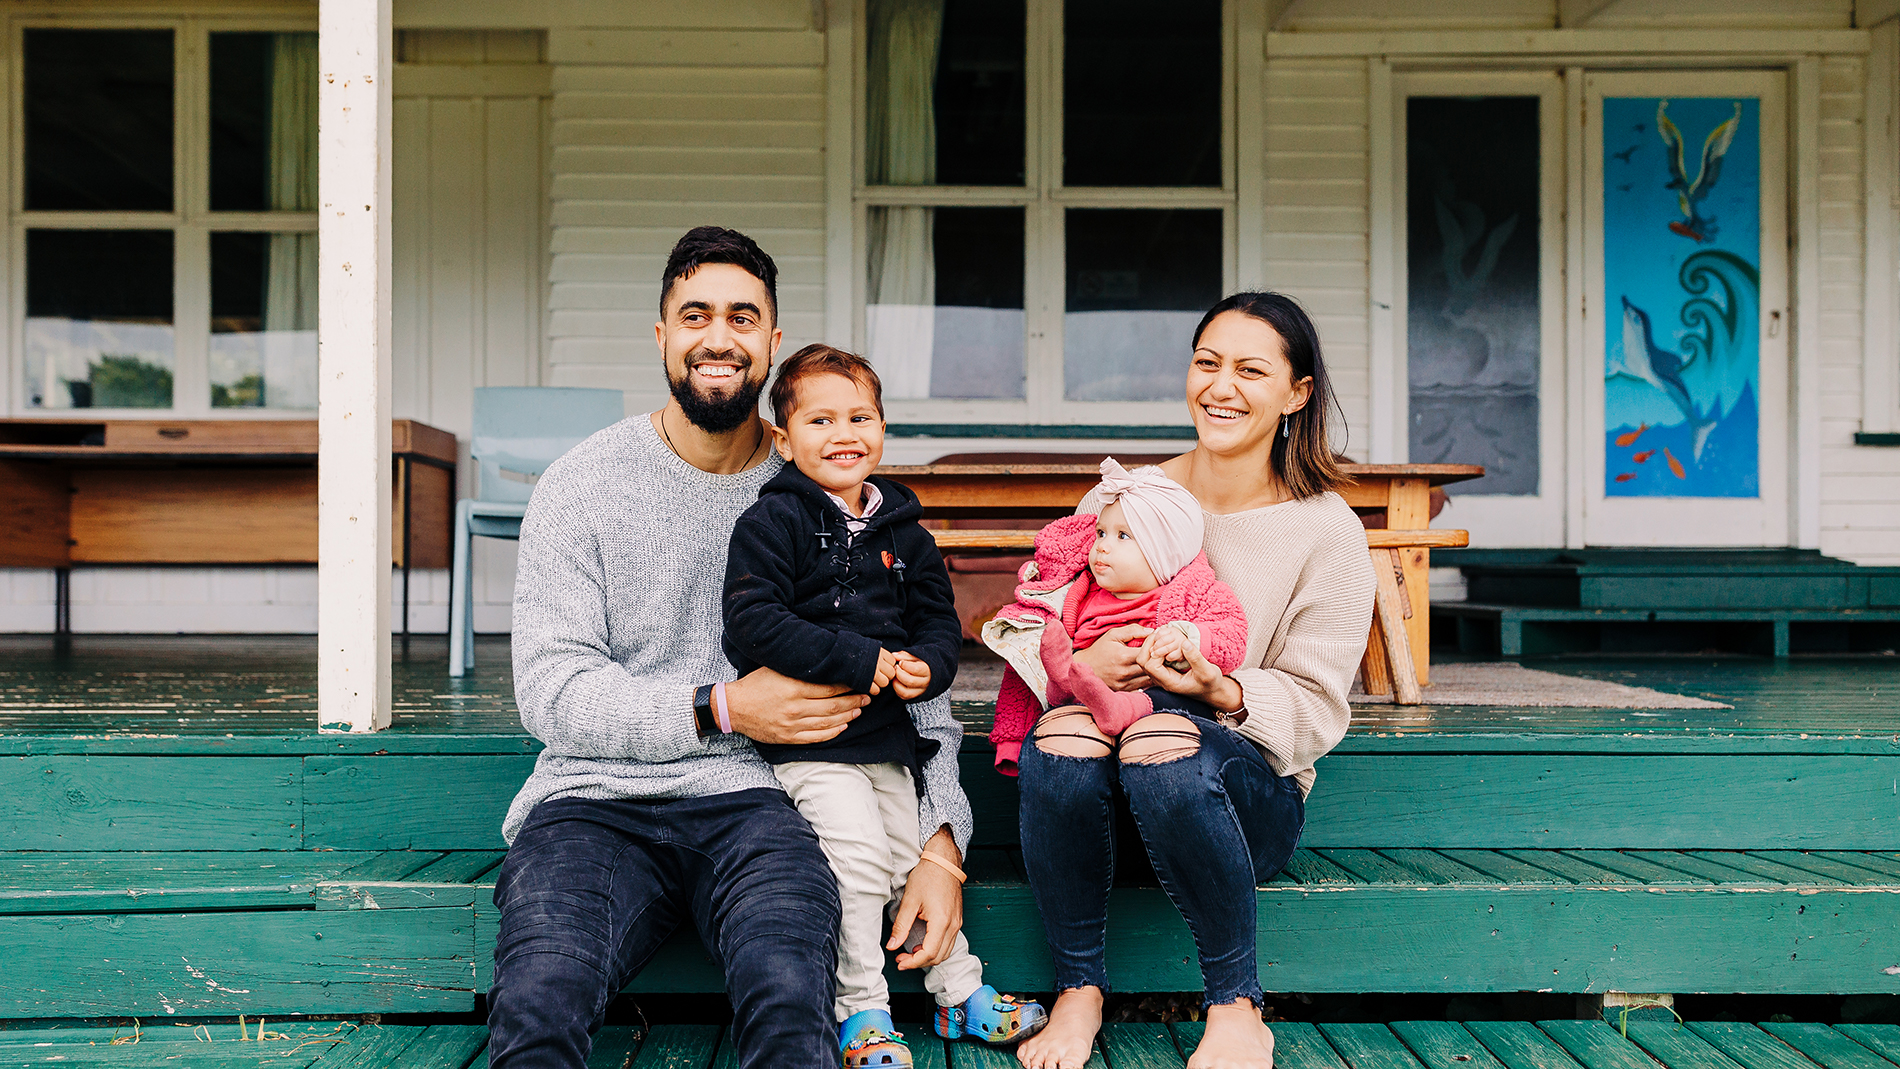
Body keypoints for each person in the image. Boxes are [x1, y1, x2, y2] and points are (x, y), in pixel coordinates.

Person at [489, 227, 974, 1069]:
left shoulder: (836, 490)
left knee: (792, 998)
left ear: (772, 343)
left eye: (743, 318)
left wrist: (943, 840)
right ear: (663, 335)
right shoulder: (582, 483)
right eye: (695, 316)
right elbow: (552, 690)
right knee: (539, 999)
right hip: (592, 802)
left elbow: (922, 687)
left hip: (763, 802)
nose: (719, 337)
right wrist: (718, 706)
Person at [1012, 292, 1378, 1069]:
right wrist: (1082, 667)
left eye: (1250, 370)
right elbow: (1047, 630)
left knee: (1168, 739)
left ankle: (1237, 1004)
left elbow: (1316, 708)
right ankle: (1079, 989)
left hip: (1237, 804)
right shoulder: (1124, 499)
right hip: (1106, 788)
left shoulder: (1327, 527)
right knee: (1060, 731)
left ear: (1296, 394)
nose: (1221, 386)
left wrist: (1220, 687)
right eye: (1207, 363)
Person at [722, 344, 1049, 1066]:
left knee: (910, 858)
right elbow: (753, 621)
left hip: (887, 742)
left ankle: (958, 993)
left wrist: (928, 668)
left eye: (861, 416)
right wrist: (857, 659)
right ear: (783, 438)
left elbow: (938, 619)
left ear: (883, 425)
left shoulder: (904, 530)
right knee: (859, 859)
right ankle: (863, 1011)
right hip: (811, 742)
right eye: (822, 419)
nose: (845, 433)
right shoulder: (771, 524)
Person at [981, 458, 1250, 773]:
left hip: (1161, 702)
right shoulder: (1077, 595)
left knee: (1179, 701)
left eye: (1122, 536)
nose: (1102, 547)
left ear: (1164, 553)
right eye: (1100, 533)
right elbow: (1021, 672)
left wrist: (1189, 640)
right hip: (1087, 704)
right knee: (1061, 668)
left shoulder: (1193, 593)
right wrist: (1013, 740)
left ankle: (1114, 705)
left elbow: (1231, 634)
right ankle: (1063, 683)